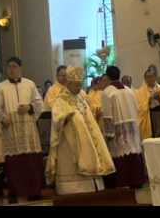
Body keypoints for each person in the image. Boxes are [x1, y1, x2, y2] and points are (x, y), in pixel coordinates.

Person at [46, 66, 115, 195]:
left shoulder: (80, 98)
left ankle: (92, 184)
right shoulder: (60, 99)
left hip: (85, 138)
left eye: (80, 85)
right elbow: (56, 119)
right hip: (68, 142)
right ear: (69, 84)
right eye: (76, 85)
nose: (79, 88)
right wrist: (66, 117)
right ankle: (72, 187)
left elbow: (88, 116)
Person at [0, 57, 44, 203]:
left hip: (28, 128)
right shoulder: (1, 87)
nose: (11, 69)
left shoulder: (29, 84)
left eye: (14, 66)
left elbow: (39, 103)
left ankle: (34, 190)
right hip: (11, 128)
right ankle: (15, 190)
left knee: (31, 161)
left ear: (20, 68)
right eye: (9, 67)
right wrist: (2, 118)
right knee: (14, 163)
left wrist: (30, 107)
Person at [102, 66, 147, 189]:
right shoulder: (129, 90)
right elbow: (137, 108)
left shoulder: (107, 92)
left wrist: (108, 134)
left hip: (117, 130)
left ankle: (123, 182)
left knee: (120, 154)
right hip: (132, 127)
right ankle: (137, 180)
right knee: (133, 151)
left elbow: (107, 115)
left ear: (107, 76)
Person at [135, 68, 160, 140]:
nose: (150, 79)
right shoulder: (140, 92)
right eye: (148, 77)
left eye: (152, 76)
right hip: (149, 121)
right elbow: (139, 109)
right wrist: (150, 100)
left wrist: (159, 99)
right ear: (145, 79)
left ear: (155, 77)